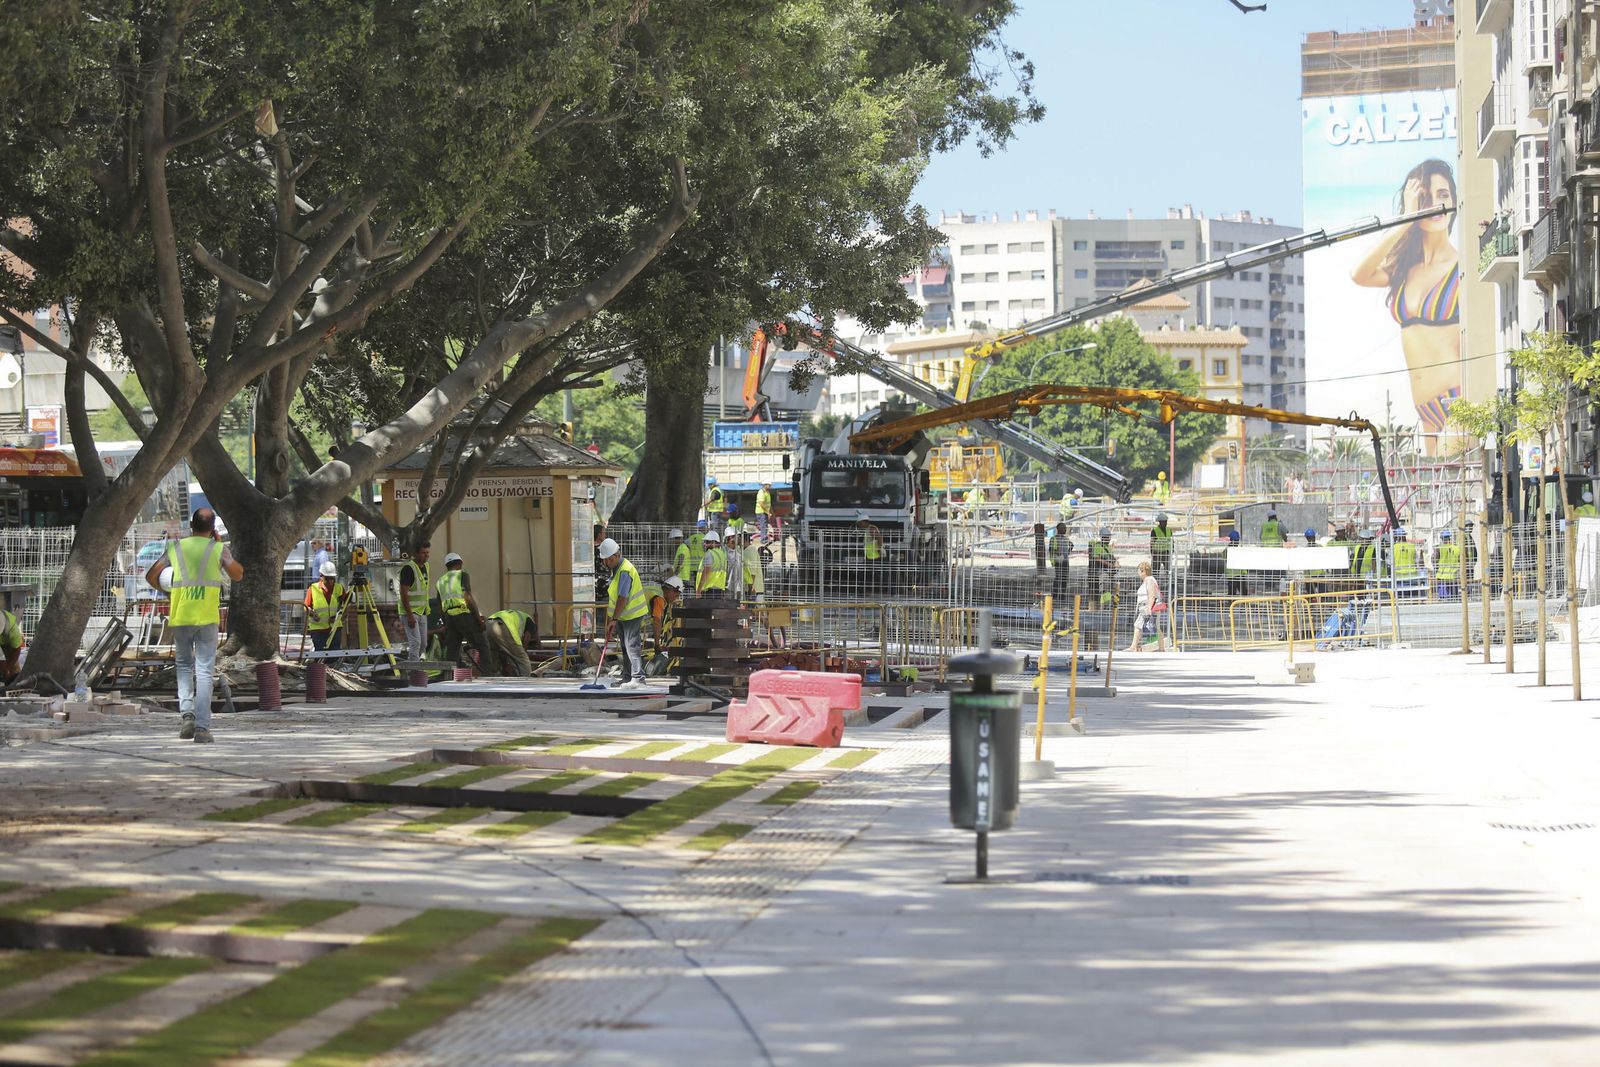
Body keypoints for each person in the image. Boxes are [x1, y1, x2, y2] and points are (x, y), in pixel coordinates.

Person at [1351, 158, 1462, 434]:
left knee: (1454, 464)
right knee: (1431, 465)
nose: (1435, 205)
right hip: (1424, 409)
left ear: (1454, 201)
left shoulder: (1462, 266)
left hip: (1457, 398)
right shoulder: (1403, 270)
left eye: (1443, 195)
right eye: (1424, 198)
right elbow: (1358, 273)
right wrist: (1404, 221)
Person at [146, 508, 244, 744]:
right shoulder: (217, 549)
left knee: (183, 666)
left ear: (191, 526)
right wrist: (219, 545)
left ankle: (187, 716)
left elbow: (151, 576)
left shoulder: (176, 548)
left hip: (181, 615)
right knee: (204, 671)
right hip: (207, 617)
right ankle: (202, 727)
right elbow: (238, 574)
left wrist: (169, 591)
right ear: (213, 528)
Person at [598, 537, 649, 689]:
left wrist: (614, 619)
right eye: (606, 560)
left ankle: (638, 678)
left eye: (610, 559)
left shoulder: (625, 570)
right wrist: (612, 619)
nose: (607, 562)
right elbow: (615, 599)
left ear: (617, 555)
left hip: (632, 614)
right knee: (625, 647)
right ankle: (627, 677)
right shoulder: (616, 570)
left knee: (631, 645)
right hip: (623, 615)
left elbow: (622, 598)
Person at [435, 551, 495, 674]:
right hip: (463, 614)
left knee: (452, 650)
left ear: (447, 566)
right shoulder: (462, 575)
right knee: (482, 645)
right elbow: (467, 597)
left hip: (449, 617)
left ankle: (449, 676)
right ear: (460, 563)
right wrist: (478, 619)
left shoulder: (440, 581)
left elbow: (439, 606)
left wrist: (445, 623)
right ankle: (488, 675)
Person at [398, 541, 432, 664]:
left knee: (423, 644)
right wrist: (410, 615)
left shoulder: (426, 566)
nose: (426, 555)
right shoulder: (409, 569)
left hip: (422, 611)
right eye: (423, 553)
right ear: (416, 554)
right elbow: (404, 593)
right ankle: (414, 670)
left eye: (427, 552)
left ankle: (412, 664)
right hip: (410, 612)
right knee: (415, 642)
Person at [303, 561, 349, 653]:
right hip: (318, 629)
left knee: (334, 655)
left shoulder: (339, 588)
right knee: (320, 655)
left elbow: (346, 605)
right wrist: (312, 614)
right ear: (321, 576)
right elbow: (306, 607)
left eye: (332, 578)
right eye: (327, 578)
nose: (330, 581)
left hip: (335, 628)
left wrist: (340, 617)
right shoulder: (313, 588)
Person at [486, 608, 539, 677]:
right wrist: (523, 651)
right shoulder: (531, 623)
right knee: (522, 659)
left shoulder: (517, 615)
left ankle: (490, 677)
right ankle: (526, 679)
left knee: (493, 655)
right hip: (503, 626)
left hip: (488, 624)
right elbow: (526, 639)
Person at [1127, 561, 1165, 653]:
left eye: (1139, 571)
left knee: (1138, 625)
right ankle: (1161, 648)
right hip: (1147, 607)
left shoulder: (1149, 581)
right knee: (1156, 627)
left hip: (1147, 607)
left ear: (1143, 571)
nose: (1138, 573)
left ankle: (1133, 647)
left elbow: (1152, 595)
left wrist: (1149, 607)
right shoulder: (1148, 580)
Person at [647, 575, 683, 655]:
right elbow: (657, 621)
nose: (675, 599)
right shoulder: (659, 598)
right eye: (676, 596)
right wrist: (657, 645)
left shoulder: (656, 591)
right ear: (670, 591)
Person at [1088, 527, 1117, 608]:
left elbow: (1112, 557)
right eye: (1108, 537)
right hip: (1102, 572)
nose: (1109, 539)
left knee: (1109, 589)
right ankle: (1104, 606)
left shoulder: (1108, 547)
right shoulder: (1098, 546)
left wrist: (1115, 563)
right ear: (1103, 537)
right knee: (1104, 589)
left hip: (1109, 572)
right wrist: (1109, 564)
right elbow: (1097, 558)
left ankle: (1107, 605)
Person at [697, 528, 729, 598]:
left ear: (714, 542)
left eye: (707, 542)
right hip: (720, 589)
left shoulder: (709, 554)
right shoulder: (722, 554)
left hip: (709, 589)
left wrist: (698, 590)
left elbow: (706, 572)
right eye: (705, 542)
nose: (705, 544)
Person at [1434, 528, 1461, 601]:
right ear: (1449, 538)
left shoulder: (1438, 548)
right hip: (1453, 575)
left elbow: (1434, 561)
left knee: (1443, 599)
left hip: (1442, 576)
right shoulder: (1456, 548)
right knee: (1454, 597)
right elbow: (1460, 560)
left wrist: (1437, 568)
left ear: (1442, 539)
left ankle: (1444, 600)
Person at [1051, 522, 1072, 608]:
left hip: (1065, 560)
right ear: (1058, 529)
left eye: (1065, 528)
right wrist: (1058, 555)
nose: (1065, 530)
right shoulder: (1054, 539)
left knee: (1064, 578)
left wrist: (1069, 550)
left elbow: (1069, 547)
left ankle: (1062, 595)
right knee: (1058, 577)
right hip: (1058, 560)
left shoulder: (1066, 539)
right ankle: (1055, 595)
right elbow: (1051, 549)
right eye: (1063, 528)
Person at [742, 529, 766, 607]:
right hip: (750, 587)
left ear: (744, 540)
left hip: (754, 589)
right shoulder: (745, 551)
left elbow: (753, 571)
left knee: (756, 611)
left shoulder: (751, 550)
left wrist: (751, 587)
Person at [1, 607, 24, 682]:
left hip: (7, 641)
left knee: (13, 669)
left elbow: (17, 649)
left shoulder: (13, 630)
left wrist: (8, 667)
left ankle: (12, 682)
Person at [1149, 512, 1173, 578]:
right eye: (1163, 522)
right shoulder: (1154, 531)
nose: (1165, 523)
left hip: (1166, 552)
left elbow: (1171, 541)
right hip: (1157, 552)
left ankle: (1169, 582)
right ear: (1160, 522)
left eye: (1166, 521)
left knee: (1168, 569)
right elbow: (1152, 542)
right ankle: (1154, 581)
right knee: (1155, 570)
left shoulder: (1169, 530)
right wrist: (1152, 552)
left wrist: (1172, 550)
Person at [1223, 528, 1246, 597]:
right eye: (1237, 540)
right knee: (1243, 592)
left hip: (1232, 575)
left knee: (1232, 593)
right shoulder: (1236, 550)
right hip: (1237, 575)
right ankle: (1243, 602)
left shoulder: (1227, 550)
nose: (1237, 542)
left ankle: (1232, 602)